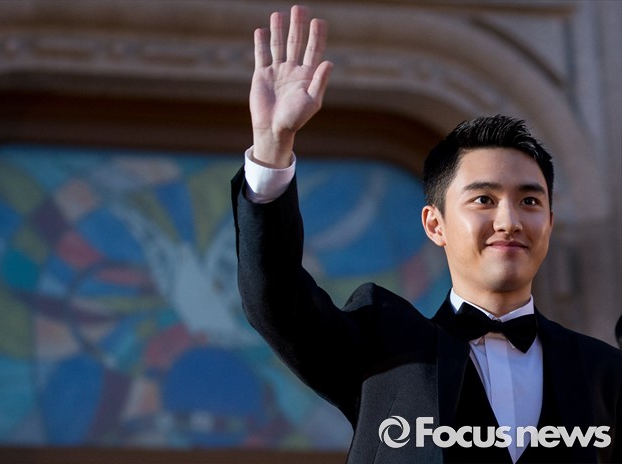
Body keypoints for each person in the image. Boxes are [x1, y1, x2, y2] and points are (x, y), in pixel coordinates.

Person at [231, 5, 621, 463]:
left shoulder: (601, 371)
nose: (509, 221)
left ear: (549, 224)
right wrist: (272, 147)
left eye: (530, 202)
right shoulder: (381, 348)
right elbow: (277, 301)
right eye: (484, 199)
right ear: (435, 224)